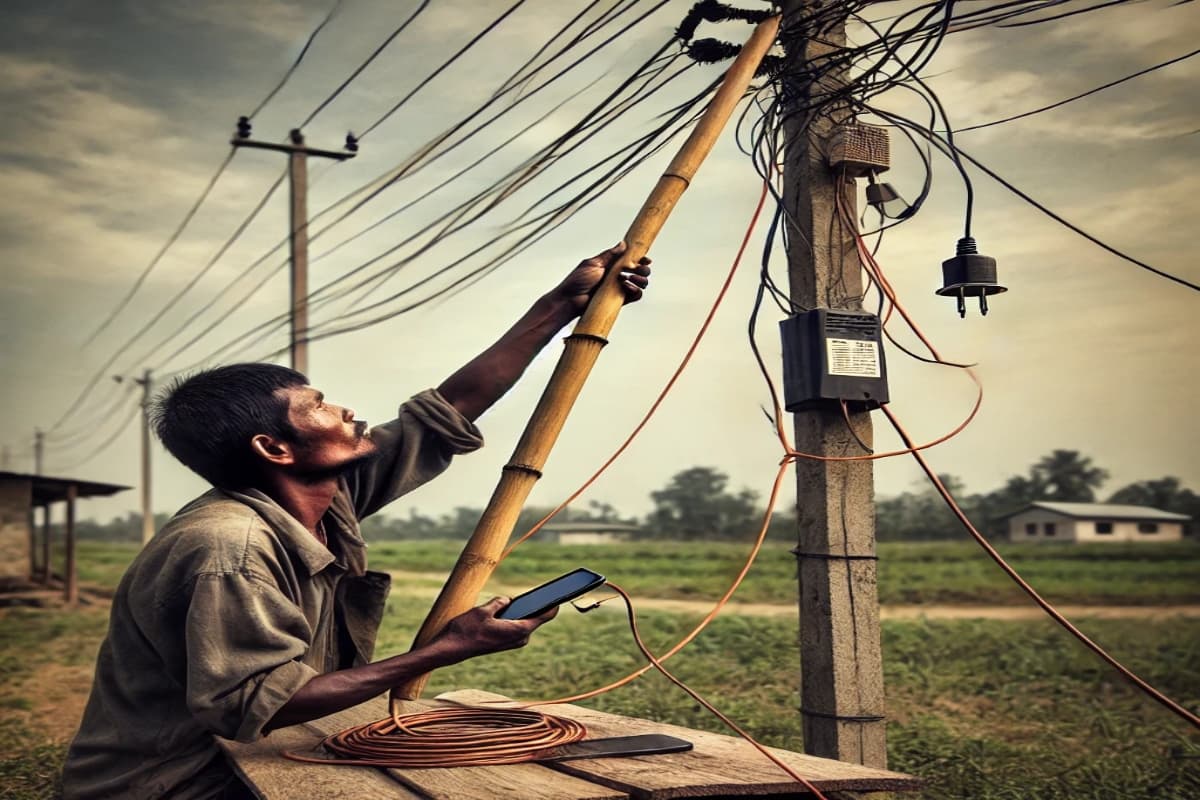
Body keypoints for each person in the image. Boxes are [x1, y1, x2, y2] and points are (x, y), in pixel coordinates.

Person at [61, 245, 651, 800]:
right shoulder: (228, 547)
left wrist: (559, 304)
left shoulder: (324, 495)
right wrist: (450, 648)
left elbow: (449, 410)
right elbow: (262, 703)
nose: (343, 409)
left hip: (262, 755)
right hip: (180, 782)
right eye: (316, 405)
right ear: (275, 449)